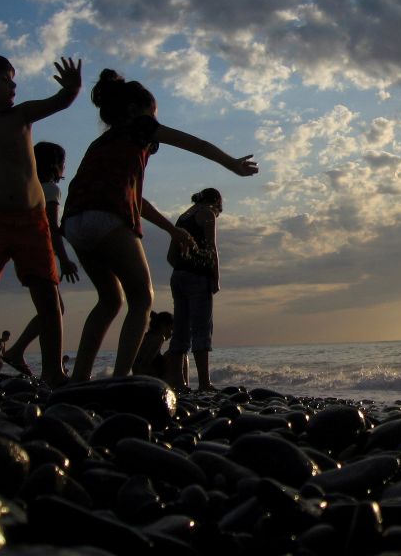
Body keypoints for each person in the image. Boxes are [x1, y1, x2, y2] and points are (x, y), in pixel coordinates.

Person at [62, 69, 257, 382]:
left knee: (109, 300)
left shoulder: (102, 144)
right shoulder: (140, 126)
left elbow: (136, 201)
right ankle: (122, 379)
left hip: (73, 222)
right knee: (141, 299)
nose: (156, 122)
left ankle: (79, 379)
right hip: (107, 218)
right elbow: (198, 145)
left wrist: (171, 229)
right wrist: (232, 164)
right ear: (136, 110)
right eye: (154, 114)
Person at [0, 54, 81, 386]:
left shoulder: (21, 115)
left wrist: (72, 89)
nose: (13, 85)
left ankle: (53, 369)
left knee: (47, 295)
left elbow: (60, 101)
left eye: (13, 79)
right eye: (4, 79)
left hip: (31, 221)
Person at [0, 141, 80, 377]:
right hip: (40, 254)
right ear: (56, 166)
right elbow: (51, 227)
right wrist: (64, 259)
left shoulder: (25, 187)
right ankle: (52, 371)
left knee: (52, 309)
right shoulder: (50, 189)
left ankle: (17, 352)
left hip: (22, 254)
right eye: (63, 163)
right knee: (53, 311)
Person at [165, 188, 222, 391]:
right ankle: (205, 383)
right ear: (216, 202)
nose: (217, 215)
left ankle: (176, 381)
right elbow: (211, 248)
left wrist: (182, 267)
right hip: (198, 277)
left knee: (180, 329)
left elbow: (170, 256)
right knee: (201, 329)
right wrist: (215, 277)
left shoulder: (183, 217)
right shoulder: (206, 213)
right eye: (219, 211)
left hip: (178, 276)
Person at [132, 310, 173, 379]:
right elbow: (146, 362)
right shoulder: (159, 338)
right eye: (171, 329)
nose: (171, 333)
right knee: (174, 355)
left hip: (140, 373)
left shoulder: (147, 336)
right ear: (163, 326)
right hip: (147, 376)